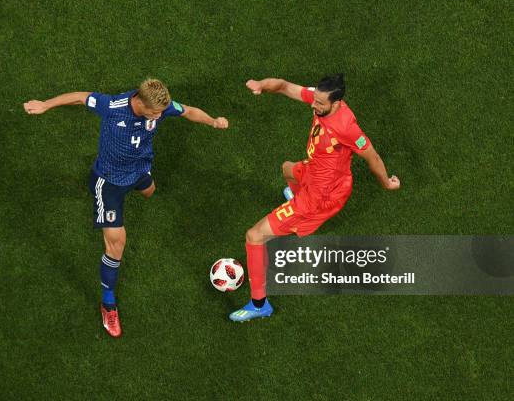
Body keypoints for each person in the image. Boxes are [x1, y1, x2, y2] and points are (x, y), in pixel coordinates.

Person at [24, 78, 229, 337]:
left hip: (139, 169)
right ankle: (108, 303)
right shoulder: (113, 106)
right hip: (108, 182)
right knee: (116, 243)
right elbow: (79, 96)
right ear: (139, 102)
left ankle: (140, 185)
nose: (158, 116)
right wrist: (45, 104)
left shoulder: (161, 106)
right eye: (154, 112)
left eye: (160, 112)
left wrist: (212, 121)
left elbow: (188, 111)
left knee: (149, 191)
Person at [230, 74, 400, 322]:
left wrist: (386, 183)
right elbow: (286, 86)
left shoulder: (347, 128)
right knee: (287, 168)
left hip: (320, 196)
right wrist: (262, 86)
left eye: (320, 104)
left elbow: (372, 157)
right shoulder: (321, 99)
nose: (314, 105)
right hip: (315, 172)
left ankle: (259, 304)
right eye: (315, 100)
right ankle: (295, 208)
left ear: (337, 102)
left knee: (254, 236)